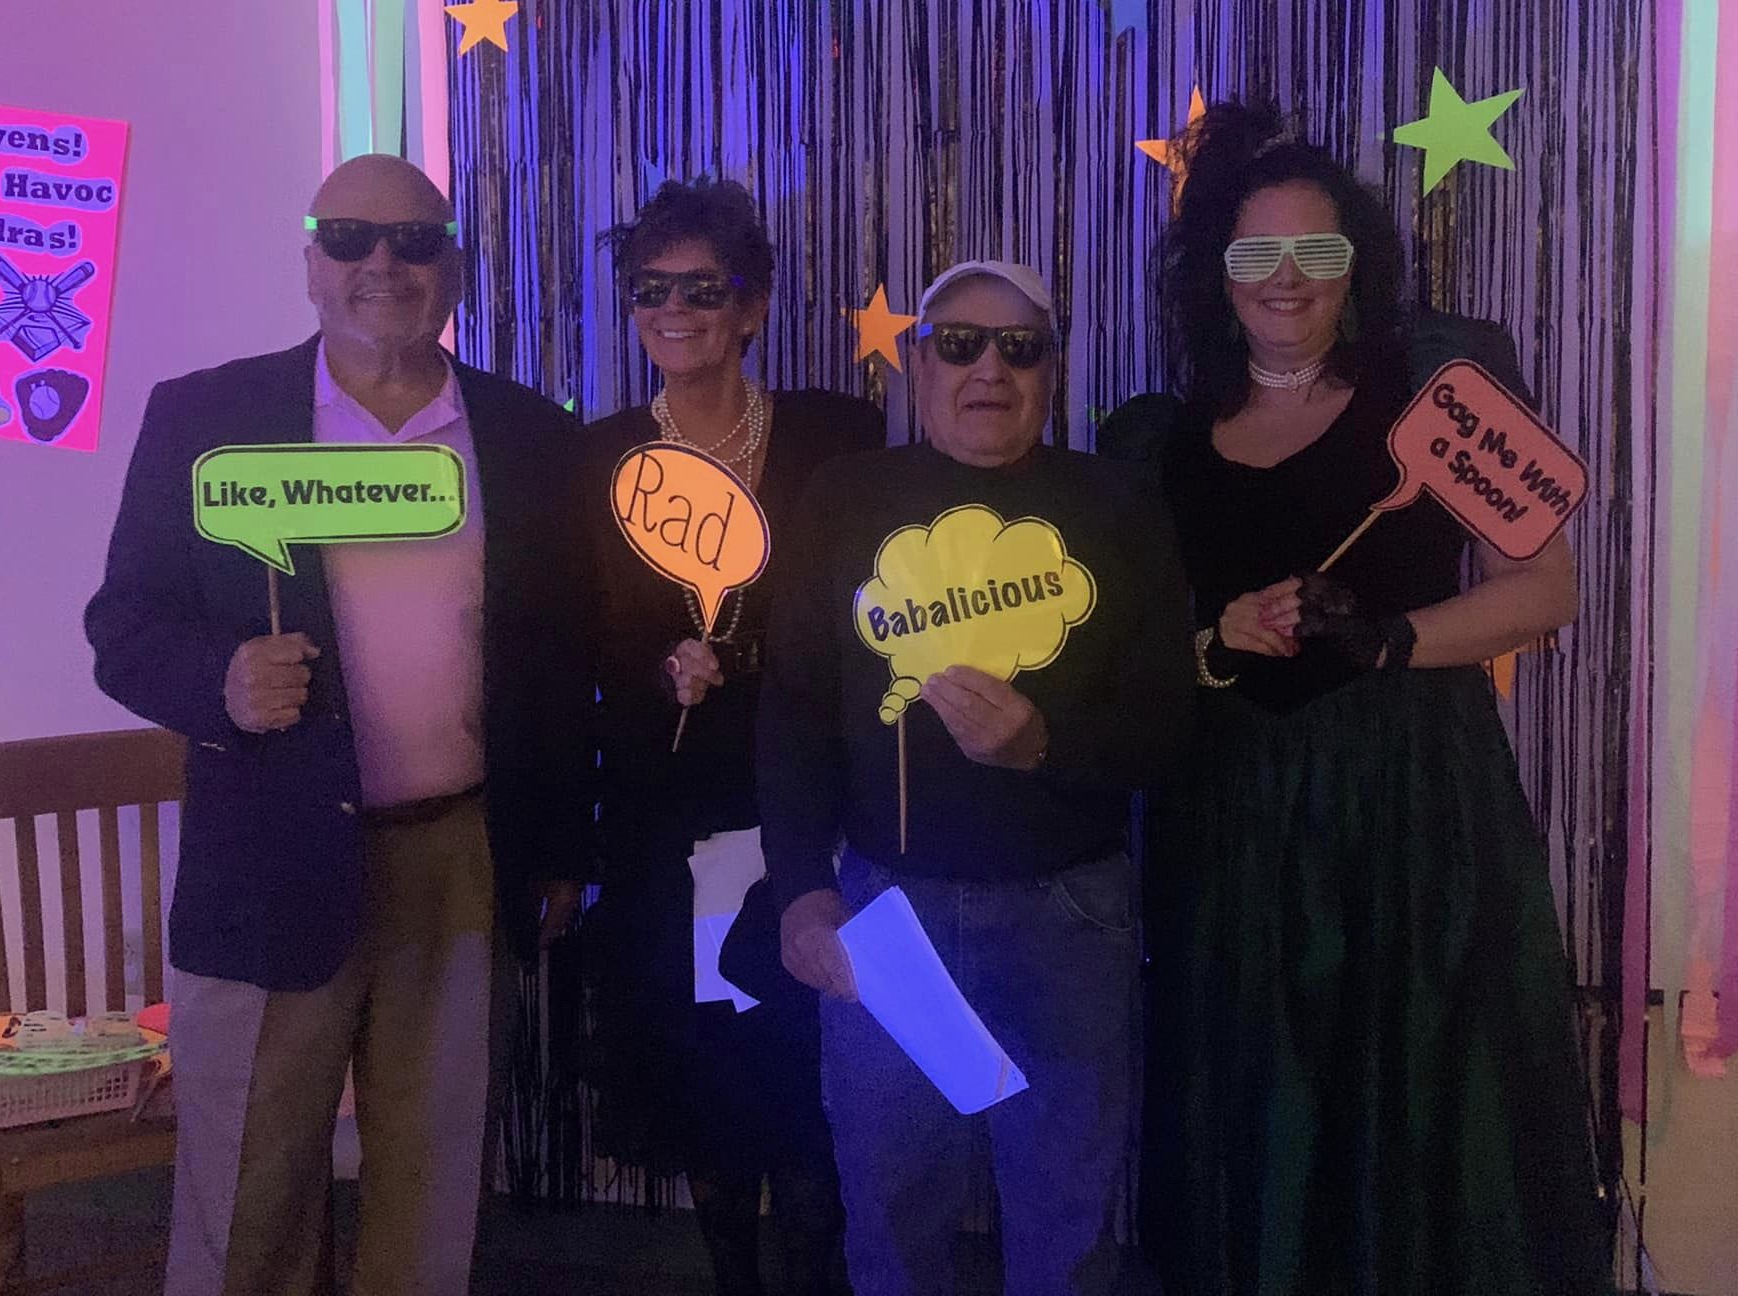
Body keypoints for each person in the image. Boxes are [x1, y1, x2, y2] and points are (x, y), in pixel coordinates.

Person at [1100, 102, 1613, 1295]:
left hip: (1411, 808)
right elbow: (1126, 659)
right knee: (1257, 1095)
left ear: (1356, 267)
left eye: (1315, 254)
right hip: (1230, 819)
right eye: (1253, 255)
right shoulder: (1152, 441)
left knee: (1417, 1087)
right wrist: (1210, 637)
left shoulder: (1439, 397)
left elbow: (1543, 591)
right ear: (1213, 277)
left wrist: (1386, 639)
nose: (1285, 281)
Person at [85, 154, 592, 1296]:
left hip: (460, 857)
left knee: (431, 1187)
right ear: (310, 263)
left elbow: (557, 665)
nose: (383, 264)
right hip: (269, 856)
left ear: (452, 267)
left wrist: (561, 847)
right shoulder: (206, 416)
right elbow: (122, 627)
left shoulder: (525, 437)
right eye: (352, 238)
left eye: (414, 241)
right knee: (246, 1194)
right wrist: (217, 677)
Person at [756, 259, 1193, 1296]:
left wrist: (1045, 743)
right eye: (957, 345)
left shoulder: (1114, 501)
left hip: (1068, 915)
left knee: (1064, 1224)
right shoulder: (846, 496)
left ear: (1051, 368)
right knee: (893, 1215)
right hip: (885, 912)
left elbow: (1171, 728)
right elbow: (792, 709)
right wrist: (798, 889)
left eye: (1018, 347)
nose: (986, 370)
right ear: (914, 364)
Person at [575, 178, 880, 1295]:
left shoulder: (834, 437)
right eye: (648, 288)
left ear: (749, 306)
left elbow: (871, 606)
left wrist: (750, 661)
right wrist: (660, 667)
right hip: (674, 817)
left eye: (700, 288)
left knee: (808, 1061)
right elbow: (574, 639)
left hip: (812, 798)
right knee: (707, 1070)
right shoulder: (596, 456)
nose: (673, 309)